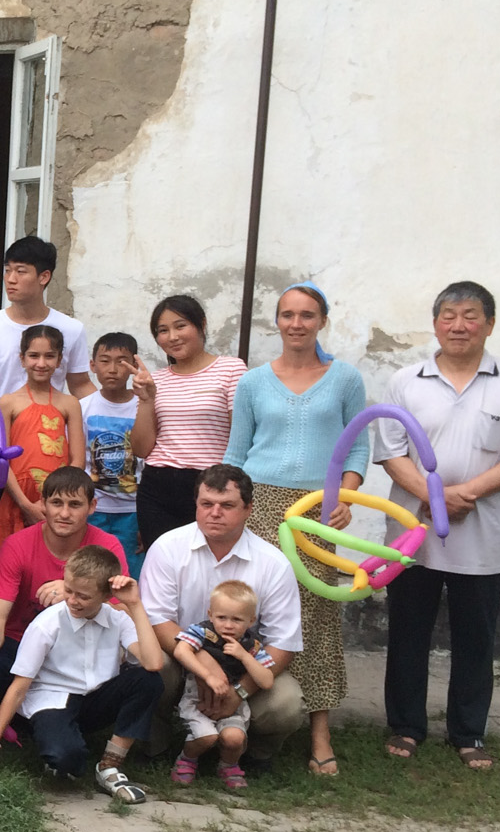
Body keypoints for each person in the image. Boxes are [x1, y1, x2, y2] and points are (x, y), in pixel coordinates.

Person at [375, 281, 500, 772]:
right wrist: (435, 498)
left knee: (476, 638)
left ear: (489, 324)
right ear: (435, 324)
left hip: (484, 532)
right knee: (408, 633)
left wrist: (464, 494)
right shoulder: (406, 381)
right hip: (414, 532)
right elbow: (390, 451)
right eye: (448, 316)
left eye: (470, 316)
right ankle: (405, 726)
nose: (458, 326)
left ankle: (469, 731)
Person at [222, 284, 368, 777]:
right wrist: (228, 505)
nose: (297, 324)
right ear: (278, 321)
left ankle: (319, 730)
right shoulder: (254, 382)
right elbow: (237, 451)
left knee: (316, 616)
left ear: (322, 320)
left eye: (307, 315)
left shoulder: (345, 379)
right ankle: (242, 715)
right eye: (288, 315)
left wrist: (344, 497)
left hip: (316, 511)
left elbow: (357, 447)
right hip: (260, 503)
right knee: (253, 608)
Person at [138, 464, 307, 767]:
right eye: (206, 504)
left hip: (242, 667)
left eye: (227, 505)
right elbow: (157, 622)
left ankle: (251, 753)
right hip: (180, 659)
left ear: (248, 509)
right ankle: (155, 747)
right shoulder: (167, 548)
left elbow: (284, 644)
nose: (214, 513)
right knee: (149, 665)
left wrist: (238, 692)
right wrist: (205, 666)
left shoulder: (273, 563)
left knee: (287, 702)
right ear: (196, 504)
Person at [0, 547, 165, 804]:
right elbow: (19, 687)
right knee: (67, 761)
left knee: (148, 680)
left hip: (96, 698)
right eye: (69, 591)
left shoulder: (118, 619)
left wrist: (135, 604)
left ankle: (110, 764)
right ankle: (58, 744)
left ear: (107, 596)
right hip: (53, 700)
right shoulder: (47, 623)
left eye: (83, 596)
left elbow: (153, 663)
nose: (72, 601)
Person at [0, 467, 129, 732]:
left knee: (133, 675)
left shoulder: (107, 546)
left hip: (81, 646)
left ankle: (64, 723)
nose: (64, 513)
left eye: (74, 505)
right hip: (23, 642)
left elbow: (122, 612)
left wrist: (71, 590)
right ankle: (34, 723)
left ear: (92, 506)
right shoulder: (18, 545)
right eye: (56, 503)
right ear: (42, 504)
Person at [131, 295, 246, 549]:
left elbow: (241, 437)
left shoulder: (231, 369)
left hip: (212, 487)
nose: (172, 337)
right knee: (163, 563)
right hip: (157, 487)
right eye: (163, 330)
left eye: (180, 326)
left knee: (212, 563)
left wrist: (229, 487)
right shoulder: (155, 380)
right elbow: (141, 449)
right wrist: (147, 400)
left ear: (201, 324)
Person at [0, 325, 86, 561]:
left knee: (55, 562)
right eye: (34, 355)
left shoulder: (70, 403)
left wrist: (56, 502)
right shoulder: (8, 403)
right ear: (22, 358)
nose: (41, 363)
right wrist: (26, 505)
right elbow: (1, 460)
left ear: (59, 360)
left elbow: (78, 460)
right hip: (17, 496)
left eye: (49, 356)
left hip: (59, 500)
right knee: (13, 562)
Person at [170, 579, 276, 790]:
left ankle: (228, 766)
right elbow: (181, 651)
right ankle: (186, 759)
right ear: (210, 615)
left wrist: (244, 657)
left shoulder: (252, 645)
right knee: (206, 737)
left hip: (234, 702)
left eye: (237, 619)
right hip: (197, 699)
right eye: (221, 618)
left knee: (234, 739)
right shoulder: (202, 632)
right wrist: (207, 676)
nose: (228, 625)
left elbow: (266, 680)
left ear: (251, 620)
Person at [0, 238, 93, 398]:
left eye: (20, 271)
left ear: (44, 277)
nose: (11, 279)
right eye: (7, 270)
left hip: (51, 414)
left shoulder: (71, 329)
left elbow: (80, 384)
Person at [81, 332, 146, 575]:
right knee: (91, 575)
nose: (113, 369)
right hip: (94, 509)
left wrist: (146, 517)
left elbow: (150, 461)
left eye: (122, 361)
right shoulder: (83, 407)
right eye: (105, 360)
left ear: (134, 366)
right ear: (92, 365)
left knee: (129, 576)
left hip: (133, 512)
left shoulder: (144, 406)